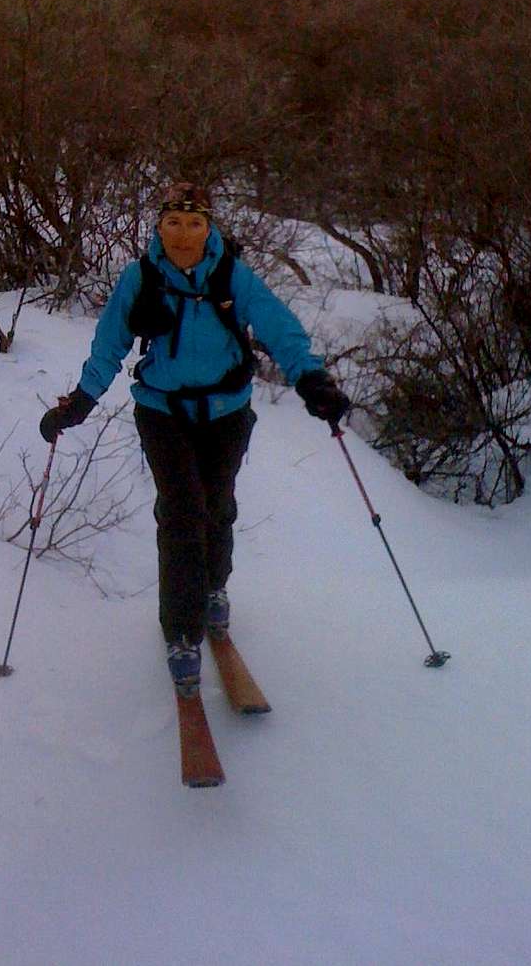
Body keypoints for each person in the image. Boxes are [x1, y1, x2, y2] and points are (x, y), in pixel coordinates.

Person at [39, 182, 350, 696]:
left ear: (210, 227)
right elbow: (109, 344)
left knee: (218, 505)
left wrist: (311, 379)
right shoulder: (141, 278)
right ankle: (181, 631)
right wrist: (81, 401)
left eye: (195, 222)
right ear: (160, 227)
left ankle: (213, 587)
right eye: (174, 223)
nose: (184, 232)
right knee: (182, 511)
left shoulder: (232, 275)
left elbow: (280, 328)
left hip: (227, 412)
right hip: (163, 412)